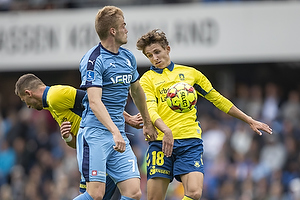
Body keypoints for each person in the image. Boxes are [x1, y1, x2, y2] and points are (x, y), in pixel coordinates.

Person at [136, 29, 273, 200]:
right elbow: (150, 109)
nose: (154, 58)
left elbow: (217, 99)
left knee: (194, 193)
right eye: (149, 55)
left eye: (157, 52)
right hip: (160, 142)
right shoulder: (147, 79)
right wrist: (166, 130)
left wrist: (248, 119)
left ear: (168, 49)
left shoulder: (191, 74)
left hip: (190, 141)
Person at [14, 73, 144, 199]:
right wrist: (67, 137)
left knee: (122, 193)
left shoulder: (56, 95)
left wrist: (129, 119)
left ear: (28, 93)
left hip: (104, 145)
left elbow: (96, 101)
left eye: (23, 100)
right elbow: (76, 143)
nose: (27, 105)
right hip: (94, 150)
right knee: (101, 195)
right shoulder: (51, 105)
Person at [74, 6, 157, 200]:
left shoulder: (128, 57)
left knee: (134, 193)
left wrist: (146, 121)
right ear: (113, 30)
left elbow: (136, 91)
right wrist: (115, 132)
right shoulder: (93, 60)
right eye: (123, 25)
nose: (126, 29)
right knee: (95, 195)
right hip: (95, 134)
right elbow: (94, 102)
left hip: (118, 135)